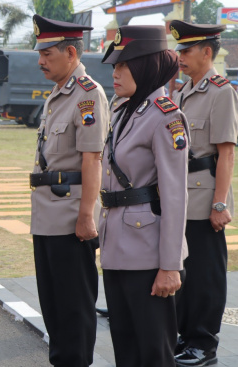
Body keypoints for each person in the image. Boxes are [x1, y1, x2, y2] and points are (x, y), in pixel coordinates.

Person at [99, 25, 188, 367]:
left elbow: (175, 196)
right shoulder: (124, 112)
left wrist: (170, 266)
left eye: (124, 65)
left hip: (149, 255)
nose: (116, 73)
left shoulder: (166, 117)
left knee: (153, 351)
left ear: (147, 66)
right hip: (117, 247)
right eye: (115, 66)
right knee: (125, 346)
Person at [29, 15, 109, 367]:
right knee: (52, 301)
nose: (41, 61)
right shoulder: (58, 95)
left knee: (74, 303)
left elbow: (93, 160)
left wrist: (87, 216)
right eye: (40, 53)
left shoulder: (88, 96)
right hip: (46, 213)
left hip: (71, 215)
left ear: (71, 52)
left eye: (48, 53)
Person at [169, 20, 238, 367]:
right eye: (179, 50)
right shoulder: (182, 91)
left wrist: (220, 203)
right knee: (182, 273)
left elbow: (226, 152)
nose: (180, 56)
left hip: (205, 195)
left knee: (205, 276)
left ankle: (204, 345)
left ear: (207, 52)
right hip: (180, 195)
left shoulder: (221, 91)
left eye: (186, 50)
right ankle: (185, 335)